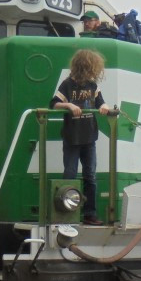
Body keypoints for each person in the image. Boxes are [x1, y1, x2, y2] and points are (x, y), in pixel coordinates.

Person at [50, 49, 112, 225]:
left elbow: (101, 102)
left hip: (89, 137)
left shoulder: (93, 86)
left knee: (90, 176)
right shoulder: (67, 84)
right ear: (86, 67)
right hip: (72, 137)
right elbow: (53, 104)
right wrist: (68, 105)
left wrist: (105, 107)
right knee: (70, 174)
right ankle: (66, 212)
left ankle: (89, 213)